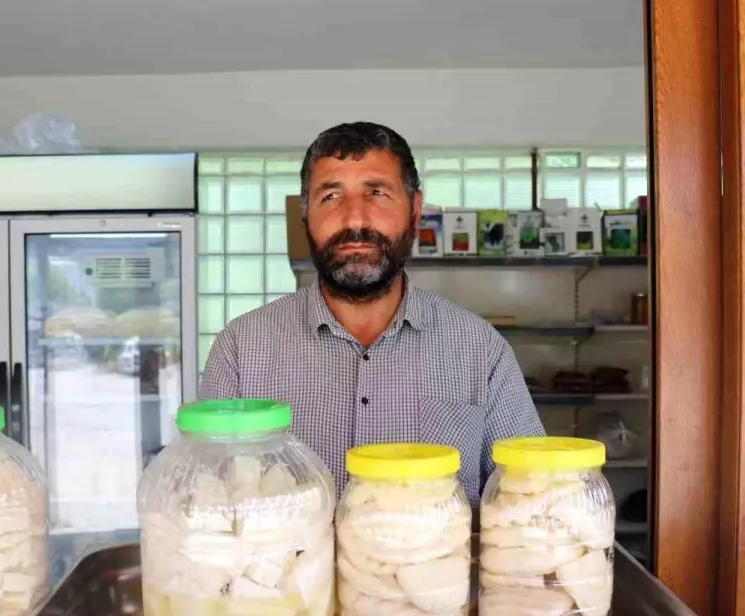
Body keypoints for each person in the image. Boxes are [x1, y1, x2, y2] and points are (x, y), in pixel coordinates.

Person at [200, 121, 543, 500]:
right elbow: (207, 506)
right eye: (331, 196)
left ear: (415, 209)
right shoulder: (241, 349)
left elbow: (531, 497)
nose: (355, 220)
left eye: (377, 193)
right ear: (305, 213)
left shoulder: (481, 350)